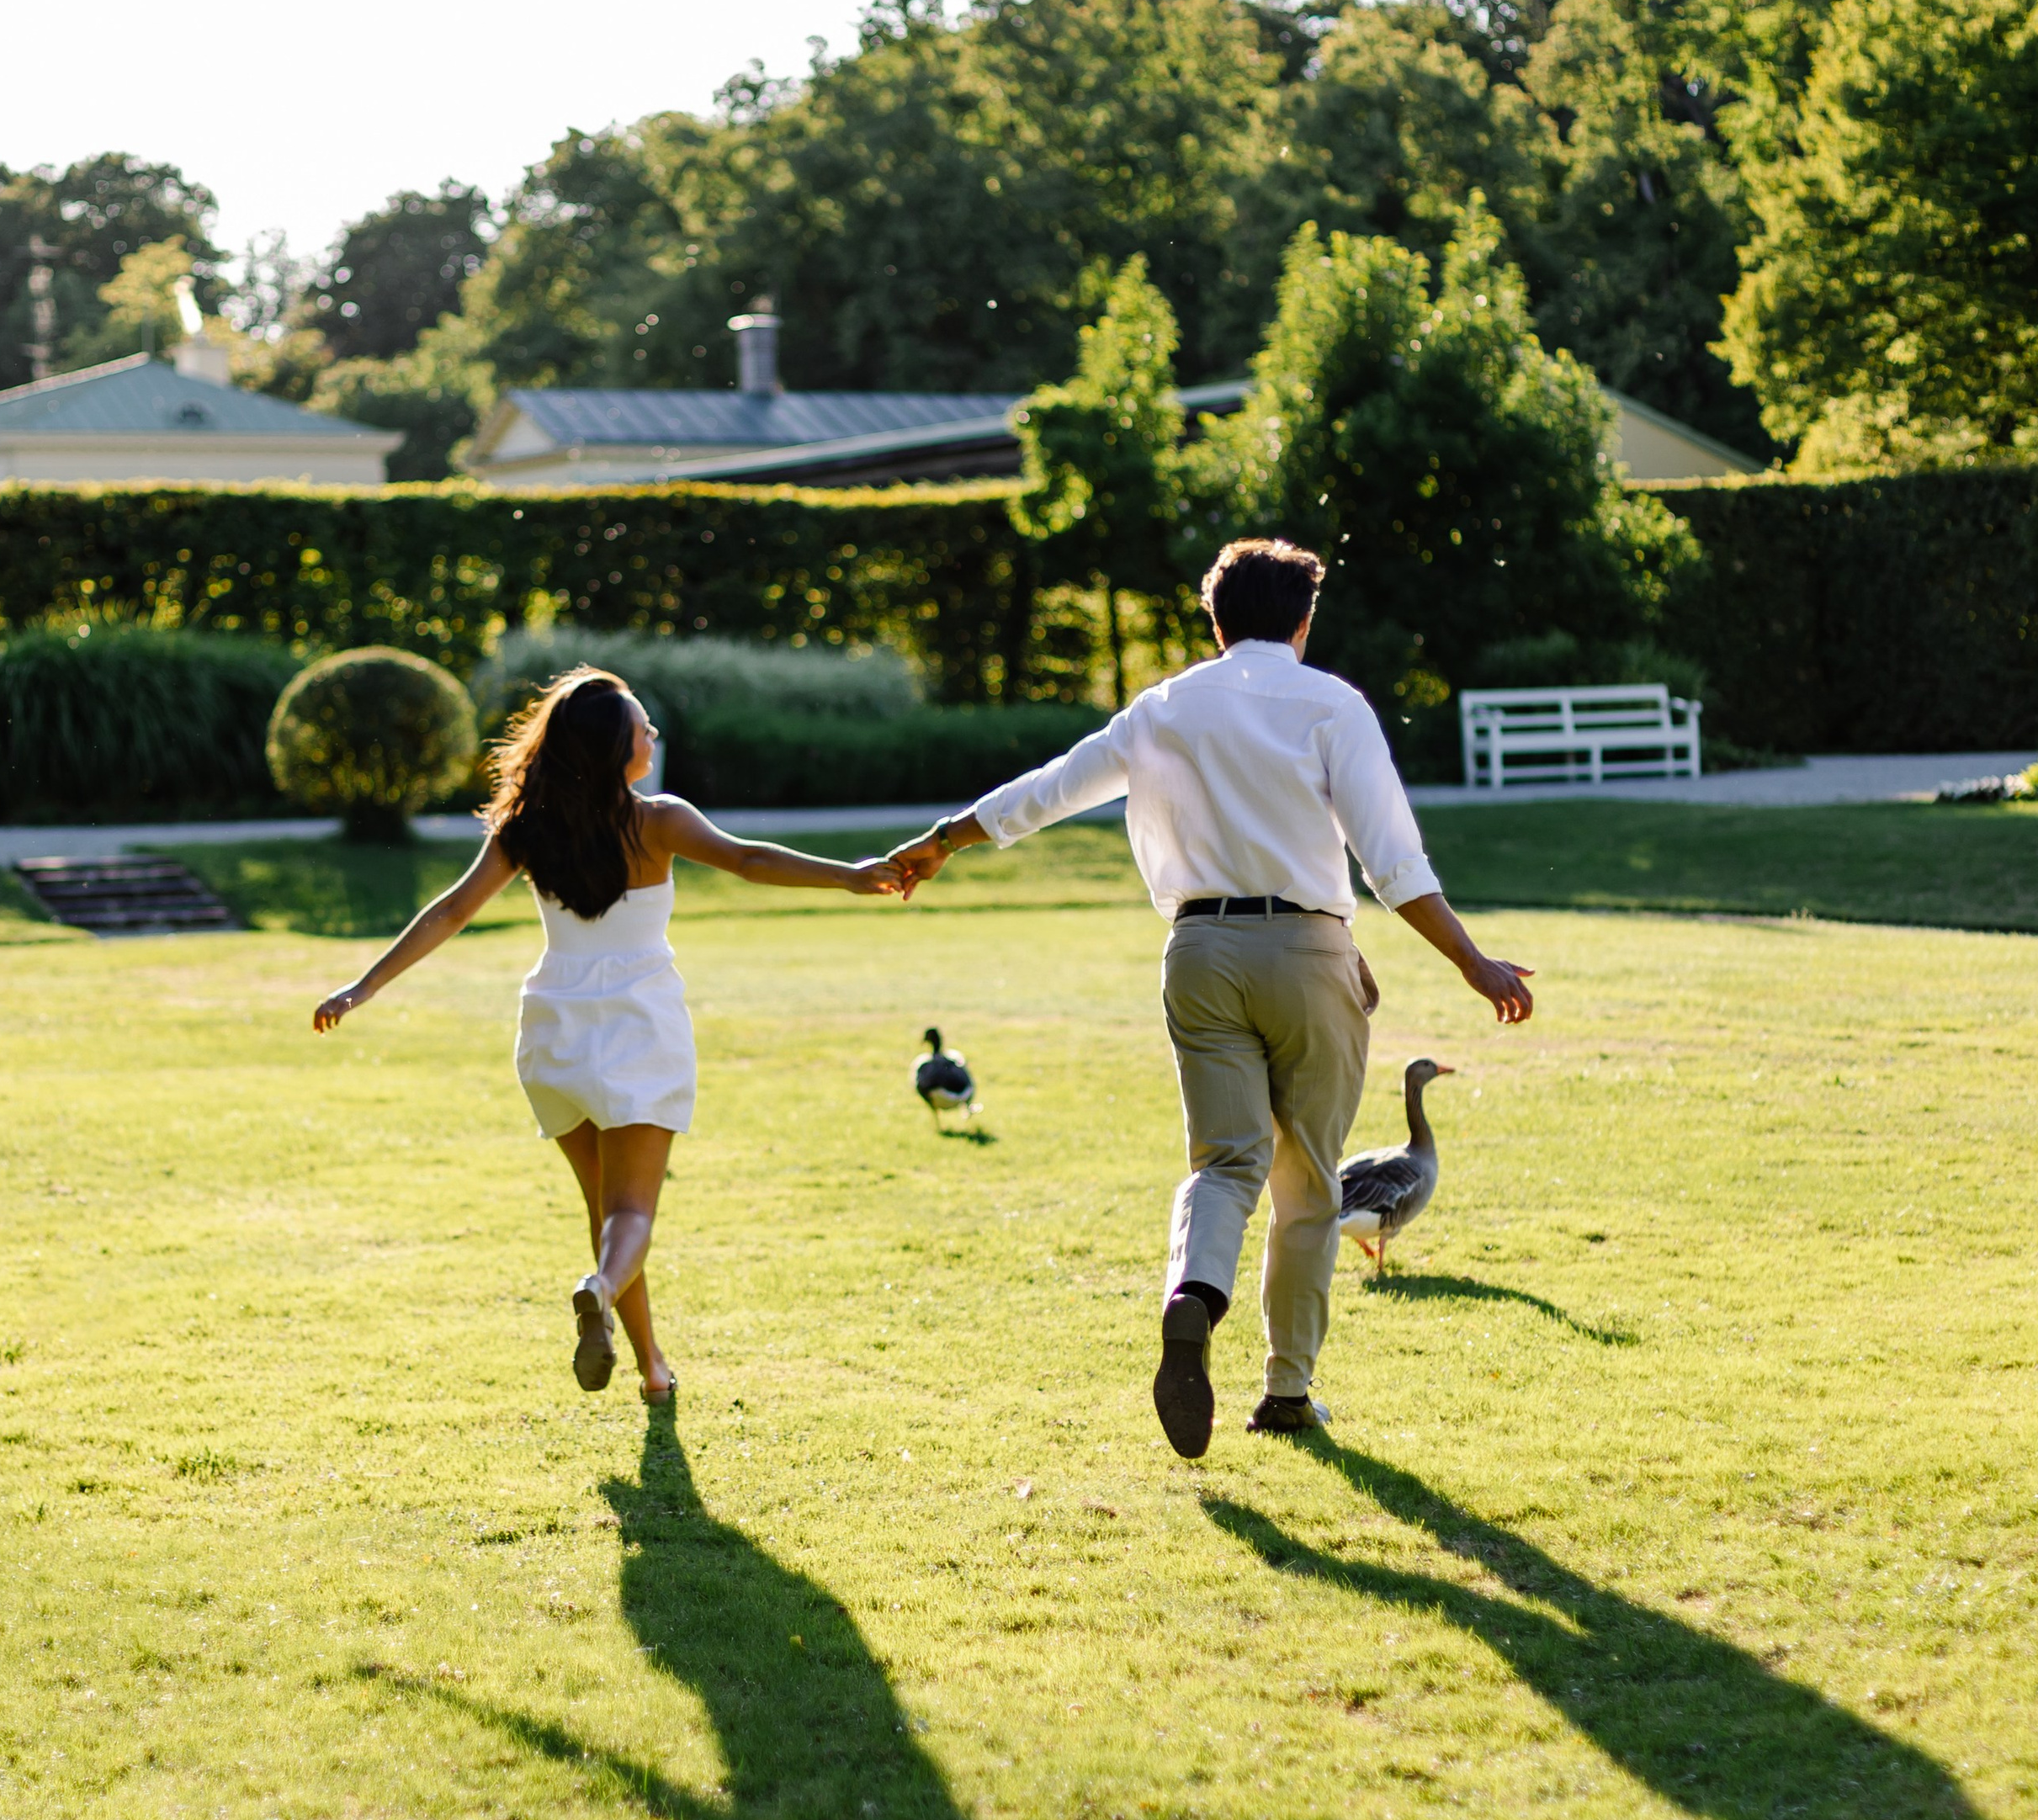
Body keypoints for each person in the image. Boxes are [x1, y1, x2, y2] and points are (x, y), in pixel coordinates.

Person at [887, 539, 1533, 1458]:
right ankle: (1286, 1391)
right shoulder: (1331, 706)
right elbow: (1391, 862)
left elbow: (1047, 792)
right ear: (1302, 622)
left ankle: (1192, 1297)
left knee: (1225, 1160)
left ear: (1213, 620)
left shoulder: (1162, 708)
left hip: (1198, 951)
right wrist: (1473, 962)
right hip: (1310, 950)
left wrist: (942, 838)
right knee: (1308, 1181)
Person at [312, 667, 903, 1401]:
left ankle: (652, 1367)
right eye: (642, 728)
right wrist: (850, 876)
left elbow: (451, 911)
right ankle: (599, 1287)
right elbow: (749, 861)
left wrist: (362, 987)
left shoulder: (527, 830)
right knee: (631, 1216)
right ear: (612, 749)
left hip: (554, 1029)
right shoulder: (659, 820)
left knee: (606, 1214)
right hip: (636, 1026)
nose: (652, 735)